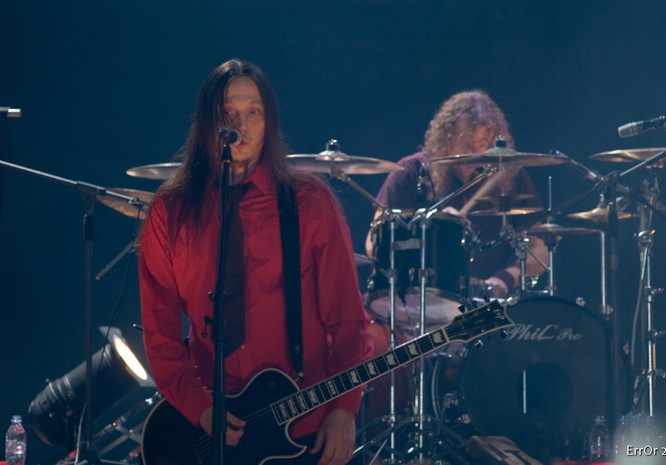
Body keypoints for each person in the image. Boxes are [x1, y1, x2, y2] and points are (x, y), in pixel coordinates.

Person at [138, 58, 373, 465]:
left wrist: (344, 410)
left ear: (269, 122)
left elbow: (348, 319)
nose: (240, 126)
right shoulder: (171, 210)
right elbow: (160, 334)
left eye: (254, 112)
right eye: (227, 113)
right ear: (207, 123)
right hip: (210, 428)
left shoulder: (309, 202)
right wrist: (200, 407)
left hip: (302, 425)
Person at [365, 90, 549, 300]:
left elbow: (540, 248)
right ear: (446, 137)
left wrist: (506, 278)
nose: (476, 153)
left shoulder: (508, 174)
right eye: (467, 145)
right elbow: (374, 243)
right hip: (417, 297)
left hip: (487, 303)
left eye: (484, 145)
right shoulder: (411, 170)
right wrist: (433, 229)